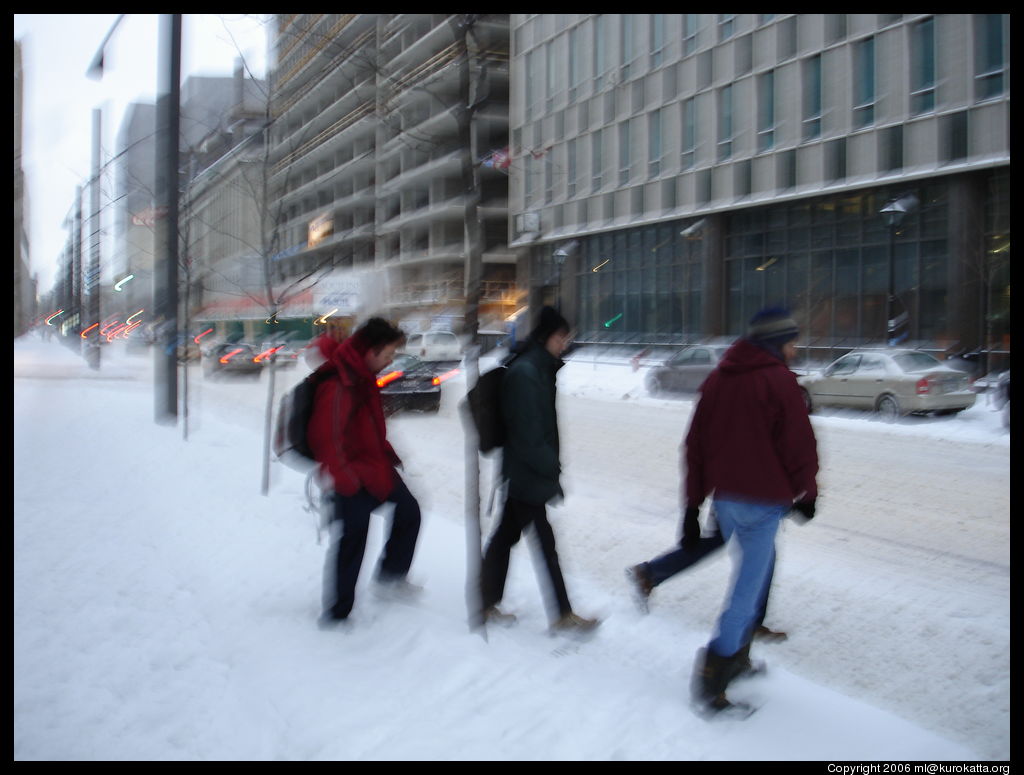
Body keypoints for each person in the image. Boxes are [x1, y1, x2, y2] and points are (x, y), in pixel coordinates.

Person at [682, 307, 819, 714]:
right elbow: (799, 446)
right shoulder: (779, 382)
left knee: (757, 577)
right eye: (792, 343)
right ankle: (713, 676)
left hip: (727, 500)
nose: (795, 351)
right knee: (747, 590)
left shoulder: (719, 379)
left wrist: (691, 505)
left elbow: (696, 446)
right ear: (776, 343)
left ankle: (737, 657)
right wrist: (806, 493)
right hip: (763, 503)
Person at [478, 307, 599, 633]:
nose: (565, 344)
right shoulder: (527, 373)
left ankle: (485, 603)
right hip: (525, 473)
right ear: (547, 336)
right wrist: (551, 470)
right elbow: (529, 435)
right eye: (562, 337)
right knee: (544, 545)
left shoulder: (538, 369)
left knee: (505, 538)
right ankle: (561, 615)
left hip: (524, 472)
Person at [308, 317, 423, 625]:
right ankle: (336, 615)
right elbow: (326, 438)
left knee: (409, 512)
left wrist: (387, 454)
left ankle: (390, 579)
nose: (390, 360)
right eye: (388, 354)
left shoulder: (363, 375)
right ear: (370, 350)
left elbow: (368, 425)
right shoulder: (340, 382)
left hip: (374, 465)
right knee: (352, 541)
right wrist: (346, 480)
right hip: (350, 475)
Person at [626, 510, 789, 642]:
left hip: (730, 491)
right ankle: (751, 620)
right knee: (763, 553)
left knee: (717, 540)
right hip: (756, 496)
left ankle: (649, 572)